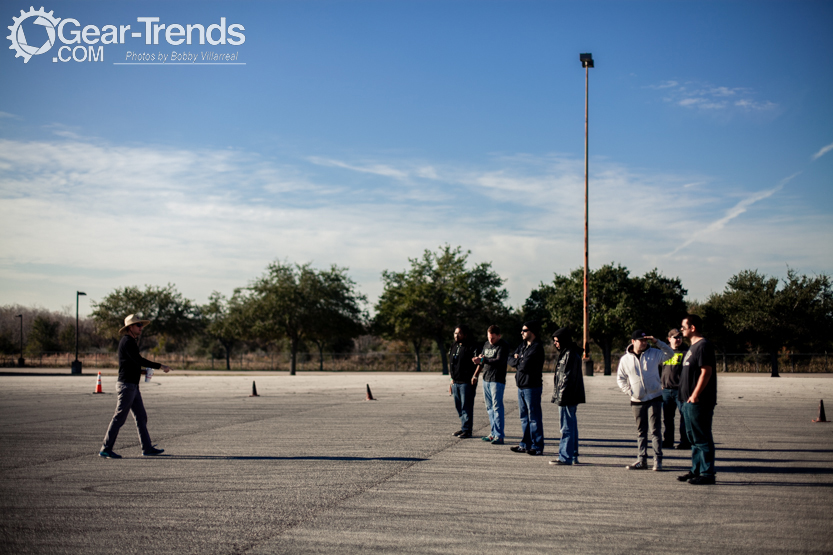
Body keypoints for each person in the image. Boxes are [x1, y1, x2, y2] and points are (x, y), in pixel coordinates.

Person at [99, 314, 171, 458]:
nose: (141, 327)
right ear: (130, 327)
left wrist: (143, 371)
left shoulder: (131, 342)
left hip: (133, 386)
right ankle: (106, 448)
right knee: (119, 417)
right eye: (138, 325)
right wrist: (160, 366)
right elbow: (138, 359)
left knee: (141, 416)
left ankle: (147, 448)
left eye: (141, 325)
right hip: (127, 386)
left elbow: (131, 363)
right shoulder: (127, 342)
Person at [616, 329, 674, 471]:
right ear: (633, 342)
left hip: (654, 397)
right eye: (640, 340)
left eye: (645, 340)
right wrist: (630, 391)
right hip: (637, 399)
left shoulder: (654, 353)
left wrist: (657, 342)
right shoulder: (625, 359)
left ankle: (657, 460)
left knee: (655, 430)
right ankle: (642, 460)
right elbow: (620, 378)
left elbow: (670, 354)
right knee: (641, 431)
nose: (643, 343)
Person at [678, 314, 718, 485]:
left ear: (692, 328)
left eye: (683, 327)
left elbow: (706, 372)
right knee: (693, 438)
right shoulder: (692, 348)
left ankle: (707, 474)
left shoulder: (703, 346)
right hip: (687, 401)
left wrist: (695, 395)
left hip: (699, 402)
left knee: (702, 438)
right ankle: (696, 470)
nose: (681, 330)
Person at [508, 321, 545, 456]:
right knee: (524, 417)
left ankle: (537, 446)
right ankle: (525, 444)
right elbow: (510, 359)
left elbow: (525, 366)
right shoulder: (523, 346)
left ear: (532, 331)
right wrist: (519, 359)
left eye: (524, 330)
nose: (521, 332)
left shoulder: (536, 348)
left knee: (534, 418)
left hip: (532, 387)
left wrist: (519, 360)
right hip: (521, 387)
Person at [548, 327, 585, 466]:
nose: (555, 344)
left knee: (566, 427)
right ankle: (573, 454)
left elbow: (567, 377)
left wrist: (560, 397)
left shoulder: (569, 354)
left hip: (567, 396)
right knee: (571, 426)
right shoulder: (569, 353)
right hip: (570, 395)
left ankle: (565, 456)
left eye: (557, 341)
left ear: (563, 340)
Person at [472, 325, 510, 445]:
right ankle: (493, 433)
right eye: (489, 337)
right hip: (486, 379)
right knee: (489, 408)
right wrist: (475, 375)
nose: (490, 340)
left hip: (497, 380)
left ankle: (499, 435)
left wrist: (483, 360)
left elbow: (499, 361)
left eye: (493, 338)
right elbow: (482, 360)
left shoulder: (503, 345)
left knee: (497, 408)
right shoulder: (486, 345)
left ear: (499, 336)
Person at [661, 328, 691, 450]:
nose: (678, 339)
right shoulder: (663, 352)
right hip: (666, 390)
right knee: (667, 418)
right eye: (675, 337)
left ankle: (685, 441)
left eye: (679, 337)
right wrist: (660, 383)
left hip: (681, 390)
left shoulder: (686, 352)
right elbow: (658, 369)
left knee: (684, 417)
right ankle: (668, 441)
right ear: (669, 339)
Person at [449, 325, 479, 439]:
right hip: (455, 381)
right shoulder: (454, 346)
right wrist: (451, 380)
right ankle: (463, 427)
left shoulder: (472, 347)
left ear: (465, 335)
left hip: (466, 382)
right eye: (455, 333)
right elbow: (452, 364)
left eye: (459, 333)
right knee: (459, 406)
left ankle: (467, 430)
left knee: (466, 406)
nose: (456, 335)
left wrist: (475, 376)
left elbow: (479, 363)